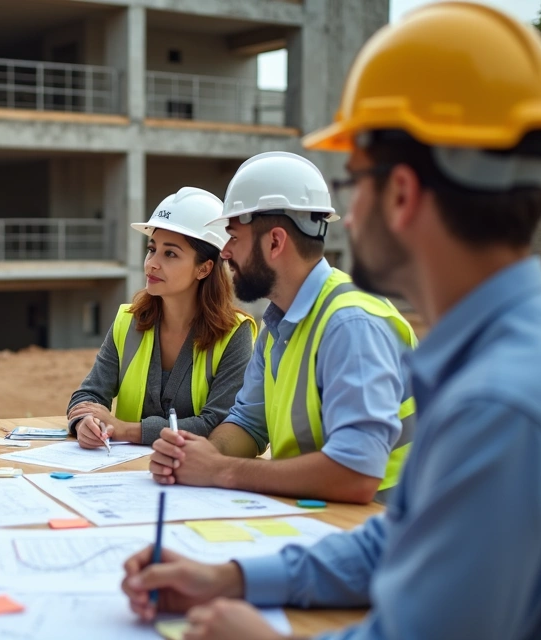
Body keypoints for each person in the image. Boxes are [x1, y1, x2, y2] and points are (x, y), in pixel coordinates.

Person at [123, 3, 541, 638]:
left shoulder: (499, 403)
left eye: (355, 184)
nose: (347, 219)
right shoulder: (507, 355)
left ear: (402, 194)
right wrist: (233, 579)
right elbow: (400, 539)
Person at [150, 151, 416, 504]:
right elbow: (249, 422)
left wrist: (220, 470)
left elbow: (356, 474)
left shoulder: (350, 325)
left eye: (234, 237)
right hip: (322, 514)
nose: (225, 253)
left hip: (388, 520)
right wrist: (199, 454)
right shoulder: (278, 323)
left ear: (275, 242)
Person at [68, 188, 255, 448]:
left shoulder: (235, 333)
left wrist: (127, 430)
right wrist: (86, 423)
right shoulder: (128, 321)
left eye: (170, 254)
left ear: (204, 268)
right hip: (122, 469)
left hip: (193, 472)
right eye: (152, 249)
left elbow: (219, 424)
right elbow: (88, 395)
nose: (151, 264)